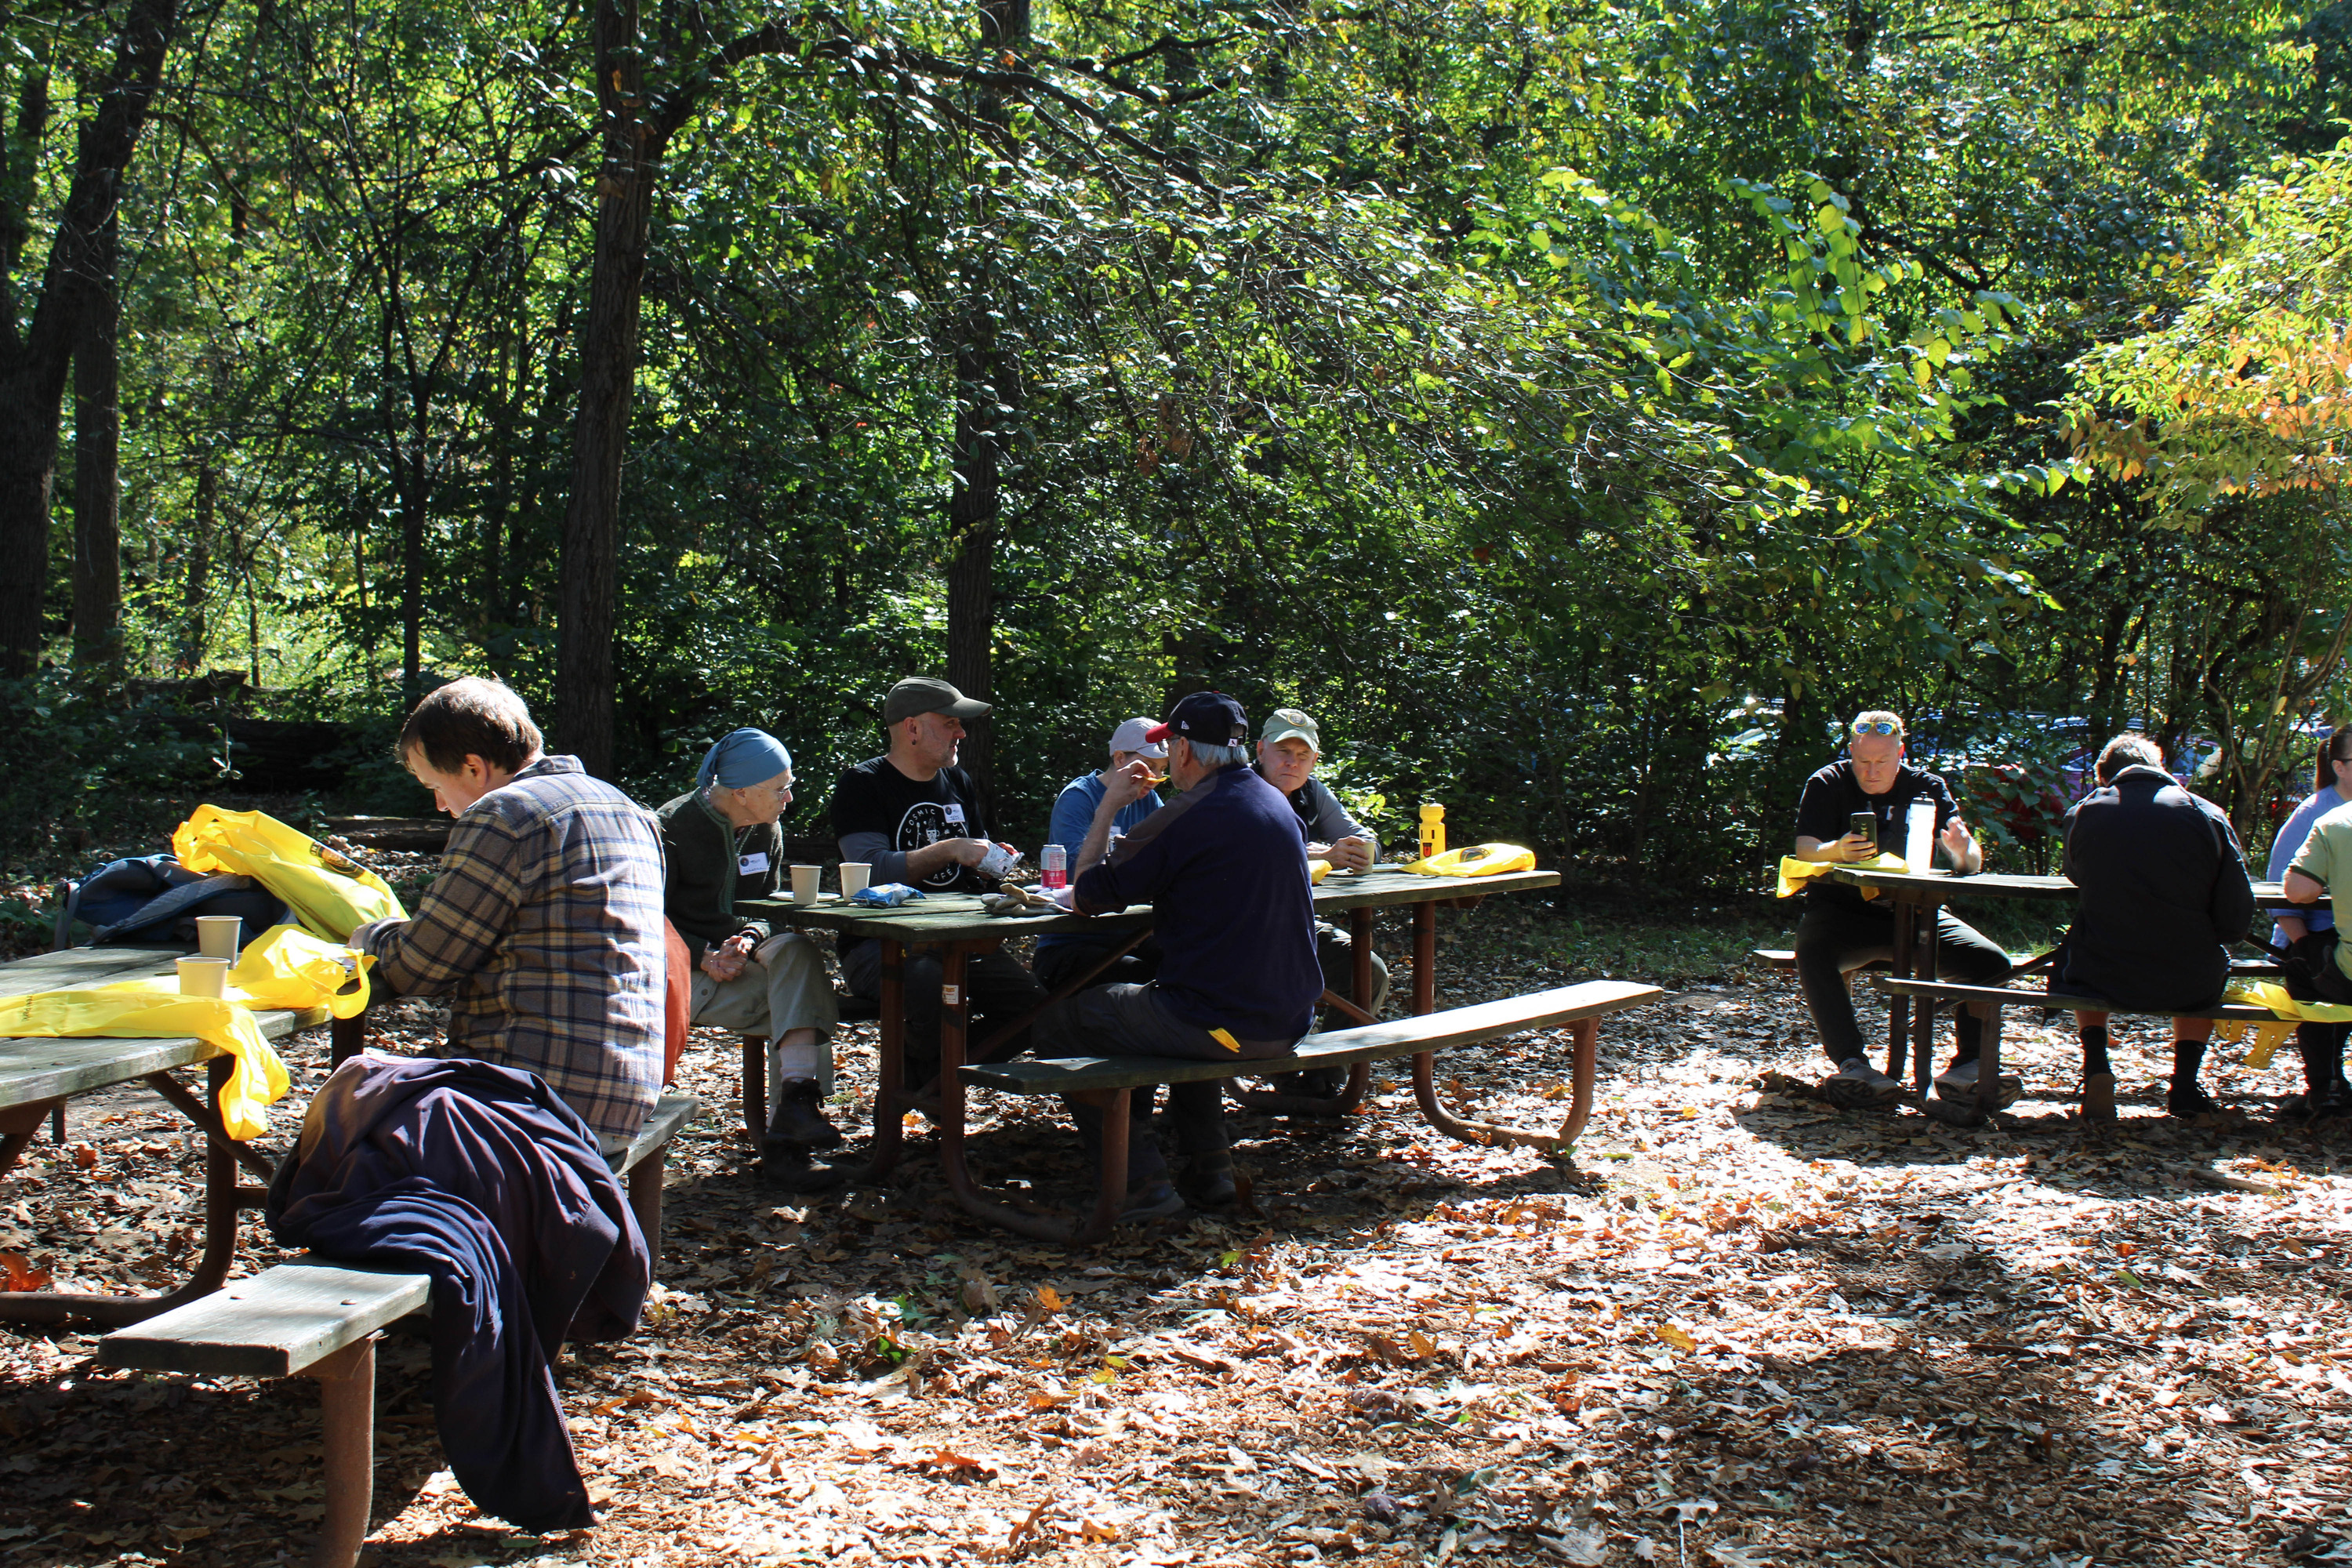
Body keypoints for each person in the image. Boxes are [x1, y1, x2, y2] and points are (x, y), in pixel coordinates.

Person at [1033, 691, 1325, 1218]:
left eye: (1170, 747)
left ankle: (1140, 1183)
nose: (1167, 760)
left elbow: (1087, 894)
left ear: (1185, 749)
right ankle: (1210, 1167)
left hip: (1227, 1025)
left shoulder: (1188, 814)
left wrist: (1109, 806)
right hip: (1291, 1018)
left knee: (1060, 1022)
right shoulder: (1273, 802)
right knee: (1184, 1000)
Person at [347, 677, 666, 1152]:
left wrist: (369, 936)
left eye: (435, 785)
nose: (440, 805)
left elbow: (421, 967)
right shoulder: (625, 808)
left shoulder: (505, 814)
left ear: (474, 767)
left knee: (345, 1114)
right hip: (626, 1096)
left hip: (531, 1100)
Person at [1788, 710, 2012, 1109]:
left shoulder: (1926, 787)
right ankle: (1853, 1066)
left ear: (1901, 753)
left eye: (1883, 762)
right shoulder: (1827, 782)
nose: (1872, 773)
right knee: (1813, 952)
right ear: (1851, 752)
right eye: (1863, 762)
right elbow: (1805, 847)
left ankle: (1970, 1068)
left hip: (1916, 916)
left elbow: (1970, 861)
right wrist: (1835, 851)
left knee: (1990, 962)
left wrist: (1962, 852)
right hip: (1841, 914)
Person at [829, 677, 1047, 1087]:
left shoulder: (958, 782)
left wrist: (991, 864)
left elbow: (970, 871)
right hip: (880, 945)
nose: (961, 733)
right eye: (950, 723)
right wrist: (950, 848)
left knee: (1035, 1008)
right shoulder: (863, 783)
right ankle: (924, 1086)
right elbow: (867, 873)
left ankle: (927, 1080)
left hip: (958, 940)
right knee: (928, 982)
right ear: (911, 728)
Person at [656, 728, 845, 1185]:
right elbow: (644, 917)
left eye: (790, 784)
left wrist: (751, 934)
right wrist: (704, 955)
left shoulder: (768, 830)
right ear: (739, 792)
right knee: (805, 1003)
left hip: (746, 961)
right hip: (681, 971)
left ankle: (795, 1109)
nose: (789, 797)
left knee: (797, 953)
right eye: (780, 789)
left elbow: (768, 909)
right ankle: (788, 1145)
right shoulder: (670, 828)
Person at [2056, 733, 2256, 1126]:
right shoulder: (2207, 814)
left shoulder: (2084, 812)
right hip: (2188, 978)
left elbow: (2075, 873)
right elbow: (2236, 916)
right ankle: (2184, 1085)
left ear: (2103, 778)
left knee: (2079, 944)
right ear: (2160, 767)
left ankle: (2095, 1065)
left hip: (2101, 972)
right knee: (2208, 957)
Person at [1253, 708, 1391, 1097]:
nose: (1291, 763)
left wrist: (1362, 852)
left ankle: (1324, 1077)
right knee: (1287, 979)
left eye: (1302, 755)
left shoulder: (1312, 792)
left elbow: (1364, 838)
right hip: (1243, 932)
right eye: (1282, 752)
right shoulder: (1236, 790)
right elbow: (1243, 856)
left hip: (1297, 924)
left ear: (1314, 760)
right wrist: (1313, 855)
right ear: (1261, 750)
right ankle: (1278, 1069)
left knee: (1368, 971)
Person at [1033, 717, 1168, 994]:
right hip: (1071, 942)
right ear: (1120, 759)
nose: (1154, 780)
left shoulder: (1150, 801)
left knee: (1185, 965)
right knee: (1143, 980)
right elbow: (1076, 875)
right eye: (1148, 768)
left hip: (1129, 935)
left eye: (1162, 771)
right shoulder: (1079, 797)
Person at [2266, 723, 2352, 1122]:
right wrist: (2300, 946)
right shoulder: (2315, 815)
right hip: (2313, 935)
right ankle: (2325, 1085)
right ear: (2339, 767)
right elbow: (2281, 893)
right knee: (2313, 975)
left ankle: (2333, 1080)